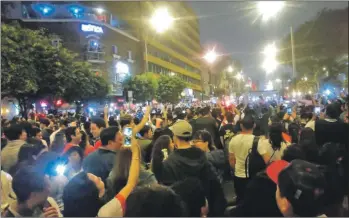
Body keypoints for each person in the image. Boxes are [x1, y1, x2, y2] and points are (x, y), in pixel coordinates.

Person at [151, 120, 226, 216]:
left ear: (175, 137)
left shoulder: (170, 161)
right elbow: (214, 183)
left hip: (181, 210)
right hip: (203, 206)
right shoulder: (202, 155)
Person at [228, 115, 270, 204]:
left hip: (238, 175)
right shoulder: (258, 141)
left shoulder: (233, 140)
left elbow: (231, 160)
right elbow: (267, 161)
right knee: (253, 201)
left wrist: (236, 169)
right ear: (254, 125)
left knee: (240, 199)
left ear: (241, 126)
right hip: (253, 176)